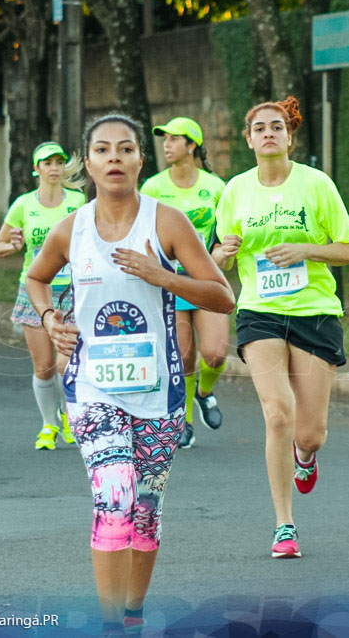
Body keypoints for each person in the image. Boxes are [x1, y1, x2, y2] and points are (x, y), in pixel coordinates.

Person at [26, 114, 234, 633]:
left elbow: (222, 297)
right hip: (93, 389)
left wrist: (163, 275)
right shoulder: (71, 228)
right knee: (114, 497)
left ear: (142, 159)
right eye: (101, 149)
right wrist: (52, 318)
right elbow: (36, 277)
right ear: (88, 164)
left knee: (145, 509)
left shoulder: (167, 222)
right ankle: (108, 623)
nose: (113, 157)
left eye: (124, 149)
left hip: (160, 392)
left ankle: (133, 614)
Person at [216, 96, 349, 559]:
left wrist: (306, 249)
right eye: (259, 128)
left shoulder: (316, 185)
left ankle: (306, 456)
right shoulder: (235, 190)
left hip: (315, 310)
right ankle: (284, 525)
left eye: (276, 126)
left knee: (309, 432)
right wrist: (223, 253)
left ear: (289, 135)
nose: (268, 134)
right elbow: (218, 255)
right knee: (277, 412)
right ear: (248, 139)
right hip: (259, 309)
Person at [0, 142, 85, 450]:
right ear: (37, 169)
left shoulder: (78, 201)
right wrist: (13, 247)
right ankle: (49, 424)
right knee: (43, 364)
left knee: (65, 362)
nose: (55, 167)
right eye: (47, 163)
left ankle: (71, 416)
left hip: (72, 290)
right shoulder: (23, 205)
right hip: (34, 290)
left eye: (59, 162)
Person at [143, 117, 229, 448]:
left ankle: (205, 393)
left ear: (191, 145)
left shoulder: (217, 187)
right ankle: (185, 422)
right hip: (171, 284)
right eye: (163, 139)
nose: (166, 144)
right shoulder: (152, 187)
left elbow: (224, 235)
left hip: (206, 282)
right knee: (182, 356)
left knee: (217, 354)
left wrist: (222, 254)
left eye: (173, 139)